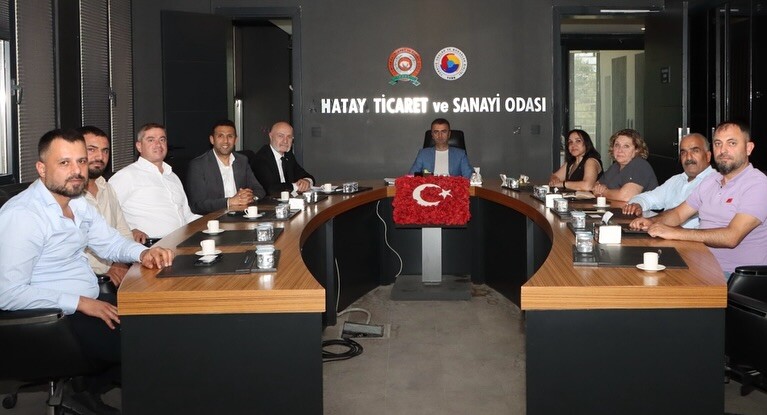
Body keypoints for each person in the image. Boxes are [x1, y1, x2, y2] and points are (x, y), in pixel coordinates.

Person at [0, 129, 174, 414]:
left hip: (88, 301)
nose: (77, 171)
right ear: (41, 169)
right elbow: (8, 294)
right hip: (54, 318)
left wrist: (142, 253)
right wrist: (81, 303)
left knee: (159, 323)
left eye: (81, 161)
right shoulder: (23, 216)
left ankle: (82, 392)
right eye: (64, 162)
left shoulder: (77, 202)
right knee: (146, 347)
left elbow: (109, 242)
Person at [630, 121, 767, 278]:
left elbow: (731, 237)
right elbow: (678, 214)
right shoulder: (711, 180)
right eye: (718, 144)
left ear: (748, 148)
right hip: (699, 263)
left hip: (735, 276)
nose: (723, 150)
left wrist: (675, 232)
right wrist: (652, 222)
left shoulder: (758, 184)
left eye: (732, 143)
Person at [78, 126, 149, 286]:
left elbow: (123, 232)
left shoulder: (106, 186)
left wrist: (120, 264)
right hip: (88, 281)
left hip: (117, 272)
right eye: (92, 149)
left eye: (105, 151)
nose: (100, 157)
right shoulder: (68, 195)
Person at [109, 123, 200, 238]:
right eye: (151, 140)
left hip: (182, 241)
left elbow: (187, 215)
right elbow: (105, 213)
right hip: (149, 246)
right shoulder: (126, 176)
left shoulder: (172, 176)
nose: (158, 144)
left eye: (162, 140)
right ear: (139, 146)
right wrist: (129, 231)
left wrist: (212, 223)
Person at [622, 133, 714, 228]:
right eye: (683, 152)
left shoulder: (715, 183)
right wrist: (637, 205)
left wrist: (652, 221)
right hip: (662, 232)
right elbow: (649, 198)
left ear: (708, 156)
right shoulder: (676, 180)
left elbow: (678, 215)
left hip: (688, 236)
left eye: (695, 151)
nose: (688, 157)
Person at [186, 120, 266, 214]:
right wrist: (229, 202)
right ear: (212, 140)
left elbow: (259, 190)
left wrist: (250, 197)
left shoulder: (242, 160)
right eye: (220, 136)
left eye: (230, 136)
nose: (226, 141)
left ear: (235, 140)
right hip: (213, 218)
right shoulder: (198, 165)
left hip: (241, 215)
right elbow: (197, 205)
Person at [592, 128, 658, 201]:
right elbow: (595, 186)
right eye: (617, 145)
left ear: (637, 150)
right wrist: (601, 187)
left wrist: (603, 192)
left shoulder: (640, 165)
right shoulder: (615, 166)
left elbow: (626, 197)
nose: (620, 150)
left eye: (626, 146)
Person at [251, 121, 316, 196]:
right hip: (269, 201)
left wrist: (306, 181)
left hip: (288, 199)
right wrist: (298, 186)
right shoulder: (261, 158)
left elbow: (305, 175)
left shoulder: (288, 155)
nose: (285, 141)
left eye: (289, 137)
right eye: (280, 136)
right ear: (271, 136)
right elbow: (272, 189)